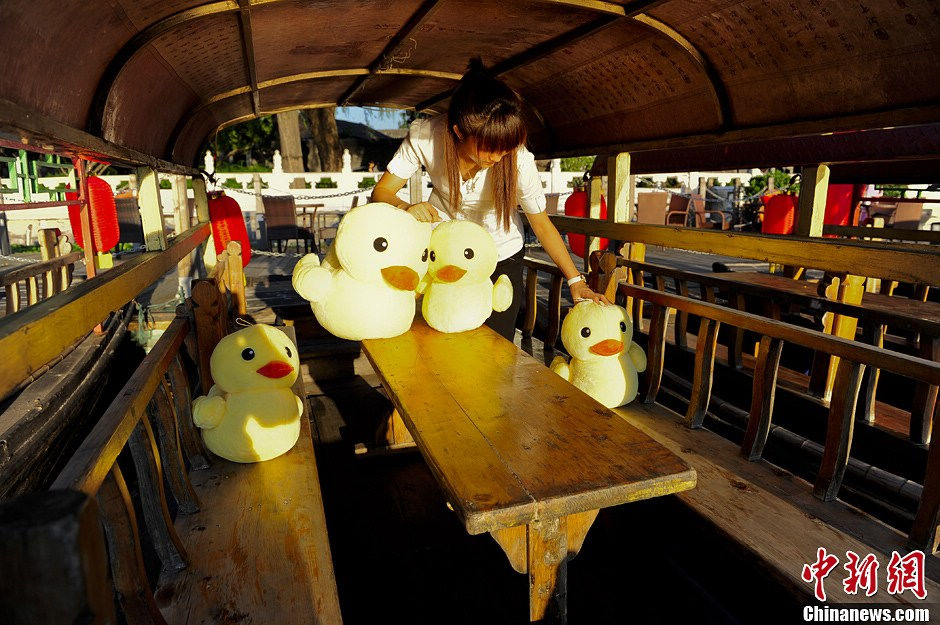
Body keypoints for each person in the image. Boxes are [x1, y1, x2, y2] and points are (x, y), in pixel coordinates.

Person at [371, 58, 608, 341]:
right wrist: (406, 207)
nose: (497, 158)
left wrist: (575, 280)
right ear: (458, 131)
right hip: (446, 252)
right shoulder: (426, 137)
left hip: (501, 254)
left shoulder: (518, 159)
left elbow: (541, 224)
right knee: (442, 334)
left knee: (497, 345)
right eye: (488, 149)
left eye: (504, 150)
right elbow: (382, 192)